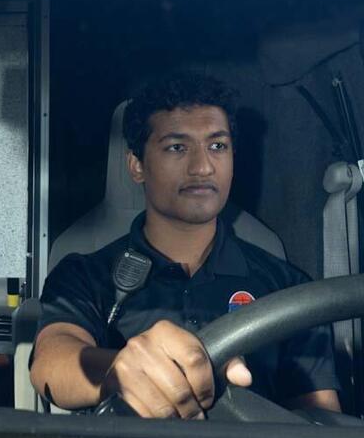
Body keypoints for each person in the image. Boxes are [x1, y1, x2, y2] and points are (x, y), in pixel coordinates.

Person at [30, 72, 340, 419]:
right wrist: (122, 369)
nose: (203, 166)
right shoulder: (85, 274)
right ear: (136, 166)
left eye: (217, 146)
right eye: (177, 147)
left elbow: (321, 422)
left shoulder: (290, 289)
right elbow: (52, 361)